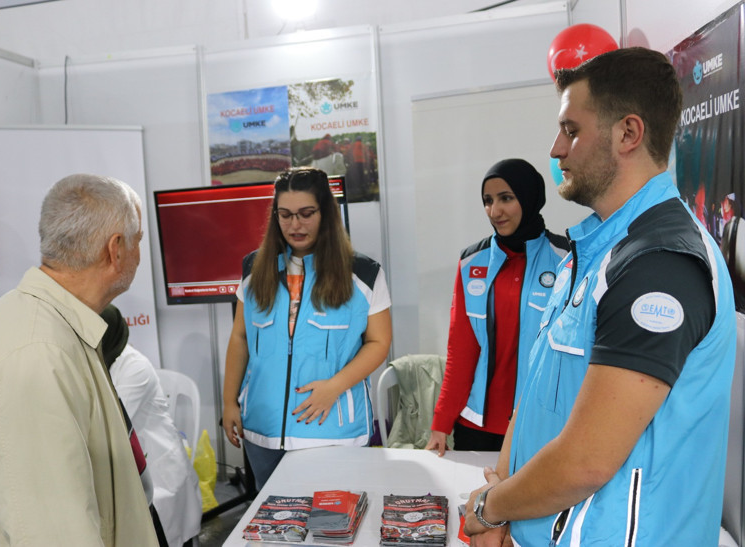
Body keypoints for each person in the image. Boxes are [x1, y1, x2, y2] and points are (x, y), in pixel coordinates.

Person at [463, 47, 736, 547]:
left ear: (628, 134)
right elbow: (534, 397)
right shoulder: (589, 252)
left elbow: (586, 461)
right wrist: (504, 502)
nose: (556, 149)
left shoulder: (659, 264)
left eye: (571, 130)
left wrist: (488, 507)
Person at [0, 173, 159, 545]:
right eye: (138, 240)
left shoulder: (51, 326)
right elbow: (51, 533)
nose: (140, 252)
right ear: (116, 249)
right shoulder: (37, 353)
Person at [222, 167, 392, 489]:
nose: (294, 225)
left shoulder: (364, 274)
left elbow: (379, 342)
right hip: (263, 430)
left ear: (325, 213)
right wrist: (229, 400)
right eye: (284, 215)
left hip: (331, 431)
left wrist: (334, 386)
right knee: (273, 530)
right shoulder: (254, 268)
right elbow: (241, 337)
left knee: (333, 526)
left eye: (305, 214)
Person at [426, 159, 568, 455]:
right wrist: (442, 422)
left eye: (506, 198)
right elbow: (461, 352)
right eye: (488, 201)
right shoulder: (471, 262)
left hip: (538, 424)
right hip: (475, 426)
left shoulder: (566, 259)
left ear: (529, 198)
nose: (495, 211)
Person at [100, 304, 203, 547]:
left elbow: (110, 424)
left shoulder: (134, 367)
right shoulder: (102, 361)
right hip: (128, 473)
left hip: (158, 478)